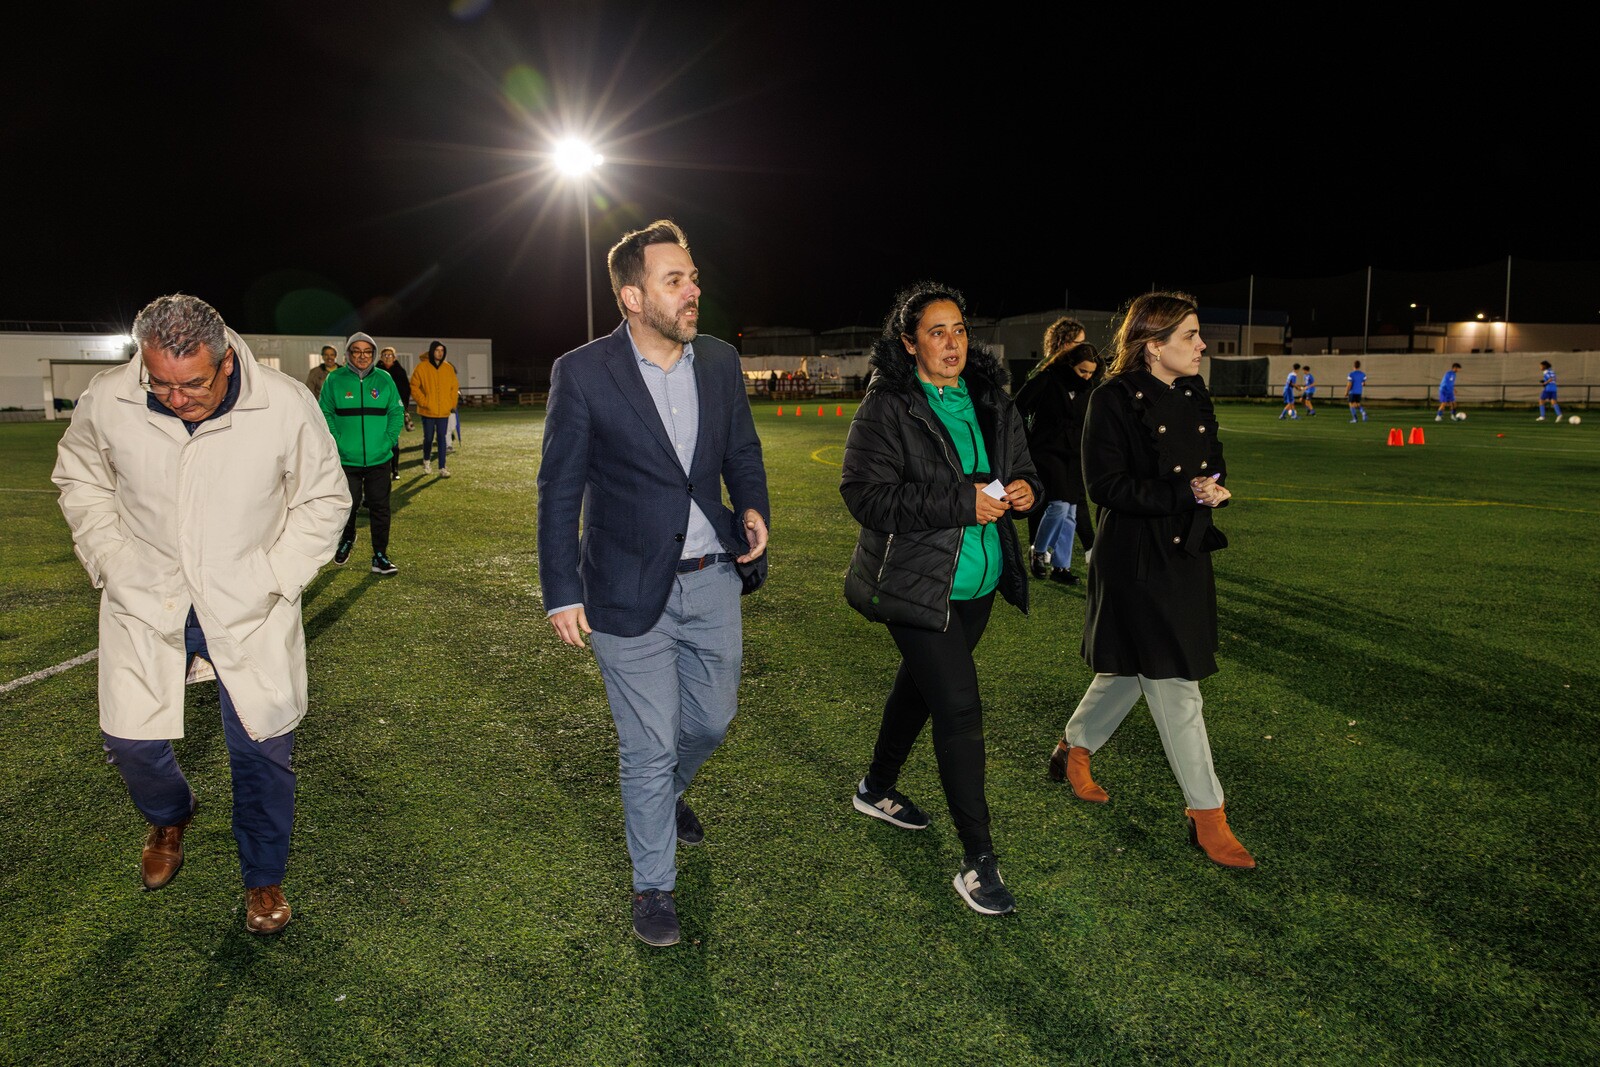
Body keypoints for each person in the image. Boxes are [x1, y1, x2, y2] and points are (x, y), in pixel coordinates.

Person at [51, 293, 350, 933]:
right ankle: (170, 814)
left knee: (263, 746)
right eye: (159, 382)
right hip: (146, 594)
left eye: (192, 384)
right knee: (130, 739)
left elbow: (324, 500)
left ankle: (263, 879)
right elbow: (81, 480)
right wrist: (113, 560)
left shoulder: (283, 404)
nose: (175, 398)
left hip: (247, 603)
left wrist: (270, 578)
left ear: (225, 361)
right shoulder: (108, 398)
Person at [536, 219, 770, 947]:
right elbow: (558, 488)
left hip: (713, 577)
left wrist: (752, 505)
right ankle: (654, 886)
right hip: (622, 588)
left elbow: (741, 450)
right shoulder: (583, 372)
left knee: (710, 721)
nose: (693, 290)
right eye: (675, 280)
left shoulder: (720, 361)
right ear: (633, 297)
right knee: (648, 745)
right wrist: (561, 588)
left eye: (693, 277)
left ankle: (664, 799)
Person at [841, 281, 1042, 916]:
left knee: (920, 689)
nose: (952, 343)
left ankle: (876, 787)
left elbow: (1021, 467)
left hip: (978, 585)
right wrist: (962, 502)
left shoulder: (990, 398)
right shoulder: (888, 406)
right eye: (936, 332)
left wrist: (1026, 490)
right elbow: (865, 497)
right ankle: (979, 860)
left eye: (959, 330)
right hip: (914, 583)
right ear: (909, 343)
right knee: (958, 708)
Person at [1045, 291, 1255, 870]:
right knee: (1176, 682)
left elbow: (1211, 456)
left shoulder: (1193, 390)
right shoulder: (1111, 398)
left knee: (1134, 671)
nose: (1202, 345)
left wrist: (1212, 486)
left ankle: (1072, 751)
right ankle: (1207, 815)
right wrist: (1182, 493)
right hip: (1135, 559)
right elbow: (1105, 486)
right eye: (1190, 335)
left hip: (1186, 550)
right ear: (1153, 345)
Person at [1013, 316, 1100, 584]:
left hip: (1073, 455)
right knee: (1060, 506)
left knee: (1071, 511)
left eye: (1090, 372)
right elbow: (1019, 406)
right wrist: (1028, 439)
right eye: (1082, 371)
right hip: (1048, 452)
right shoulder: (1047, 376)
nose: (1087, 376)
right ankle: (1039, 551)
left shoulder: (1088, 386)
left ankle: (1062, 567)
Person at [322, 332, 405, 575]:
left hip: (380, 459)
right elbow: (324, 412)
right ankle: (347, 537)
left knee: (380, 508)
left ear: (373, 354)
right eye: (356, 351)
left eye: (367, 351)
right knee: (348, 505)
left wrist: (388, 441)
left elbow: (396, 412)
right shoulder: (335, 379)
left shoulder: (384, 379)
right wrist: (338, 442)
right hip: (347, 459)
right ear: (348, 354)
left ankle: (380, 556)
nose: (362, 356)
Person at [411, 341, 459, 477]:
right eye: (437, 350)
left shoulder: (448, 368)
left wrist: (451, 404)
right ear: (432, 351)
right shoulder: (422, 367)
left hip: (443, 411)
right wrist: (424, 402)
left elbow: (454, 387)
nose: (440, 353)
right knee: (428, 438)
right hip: (427, 411)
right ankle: (426, 461)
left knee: (442, 438)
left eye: (442, 350)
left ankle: (442, 467)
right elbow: (414, 386)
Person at [377, 346, 414, 477]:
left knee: (394, 440)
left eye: (390, 355)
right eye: (385, 355)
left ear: (394, 357)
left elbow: (405, 390)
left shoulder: (400, 372)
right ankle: (382, 468)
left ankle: (395, 469)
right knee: (380, 441)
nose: (387, 357)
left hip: (395, 411)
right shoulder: (376, 372)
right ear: (381, 358)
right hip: (379, 411)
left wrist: (403, 407)